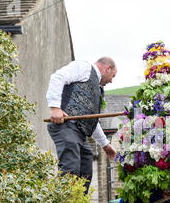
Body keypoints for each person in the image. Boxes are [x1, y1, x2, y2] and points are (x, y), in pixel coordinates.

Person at [46, 57, 117, 193]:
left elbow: (92, 121)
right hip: (67, 126)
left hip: (79, 133)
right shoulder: (84, 68)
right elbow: (57, 77)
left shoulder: (97, 89)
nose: (112, 80)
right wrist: (54, 107)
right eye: (113, 76)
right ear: (107, 68)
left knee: (85, 170)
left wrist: (105, 144)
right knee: (70, 170)